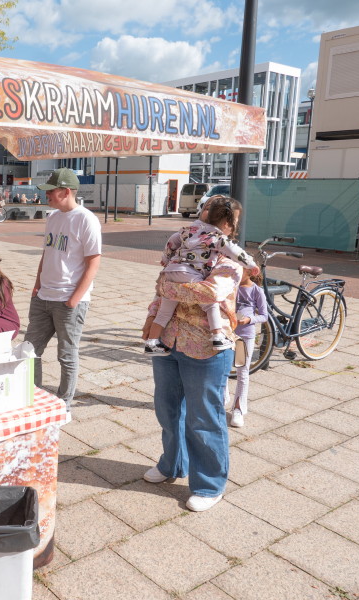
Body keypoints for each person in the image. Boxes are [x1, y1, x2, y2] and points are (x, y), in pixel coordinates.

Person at [140, 195, 245, 513]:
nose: (203, 223)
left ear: (229, 225)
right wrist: (152, 314)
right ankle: (173, 465)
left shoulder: (229, 261)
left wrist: (168, 287)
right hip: (168, 340)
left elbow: (209, 292)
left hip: (206, 348)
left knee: (204, 418)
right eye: (202, 215)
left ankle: (210, 484)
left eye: (212, 218)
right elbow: (161, 283)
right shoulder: (183, 246)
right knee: (168, 410)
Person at [24, 168, 101, 410]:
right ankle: (33, 396)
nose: (47, 195)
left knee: (66, 355)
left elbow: (93, 262)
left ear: (66, 192)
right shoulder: (53, 217)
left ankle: (63, 402)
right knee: (29, 351)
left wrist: (74, 299)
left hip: (68, 299)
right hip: (43, 296)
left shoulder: (86, 219)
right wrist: (37, 285)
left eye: (51, 191)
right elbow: (47, 253)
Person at [145, 196, 258, 355]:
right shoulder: (218, 239)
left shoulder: (187, 231)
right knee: (211, 303)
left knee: (164, 312)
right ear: (227, 223)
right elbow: (235, 253)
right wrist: (251, 265)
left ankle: (152, 343)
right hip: (190, 273)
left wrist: (166, 261)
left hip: (172, 270)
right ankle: (218, 335)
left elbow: (172, 241)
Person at [226, 267, 268, 428]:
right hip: (226, 334)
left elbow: (264, 315)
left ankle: (238, 408)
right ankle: (221, 398)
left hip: (243, 338)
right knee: (222, 367)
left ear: (251, 272)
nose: (235, 272)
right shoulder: (231, 285)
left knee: (241, 370)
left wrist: (249, 319)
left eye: (240, 270)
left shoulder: (257, 291)